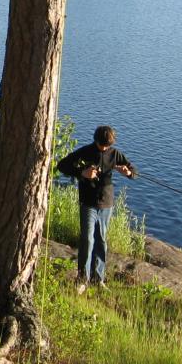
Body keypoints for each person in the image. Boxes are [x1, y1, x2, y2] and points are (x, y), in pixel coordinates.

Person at [56, 125, 136, 293]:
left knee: (101, 240)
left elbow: (133, 172)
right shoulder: (85, 152)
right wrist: (82, 173)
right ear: (96, 140)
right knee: (87, 240)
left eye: (108, 145)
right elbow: (62, 165)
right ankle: (82, 279)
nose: (105, 148)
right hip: (88, 203)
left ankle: (98, 279)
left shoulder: (115, 154)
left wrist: (127, 172)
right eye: (102, 145)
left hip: (107, 204)